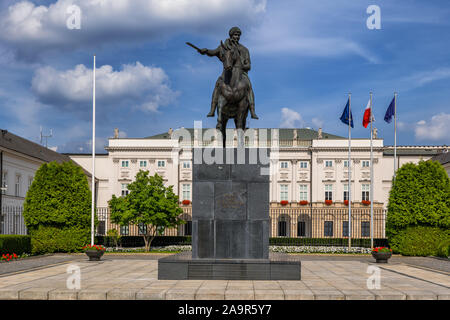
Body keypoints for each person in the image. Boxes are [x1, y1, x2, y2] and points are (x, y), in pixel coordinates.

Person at [198, 27, 258, 119]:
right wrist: (205, 51)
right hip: (226, 74)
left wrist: (241, 67)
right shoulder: (224, 47)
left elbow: (248, 65)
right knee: (218, 84)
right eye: (235, 35)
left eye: (238, 35)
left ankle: (252, 111)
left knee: (249, 86)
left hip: (241, 74)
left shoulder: (244, 49)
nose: (237, 37)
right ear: (231, 35)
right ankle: (212, 109)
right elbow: (213, 52)